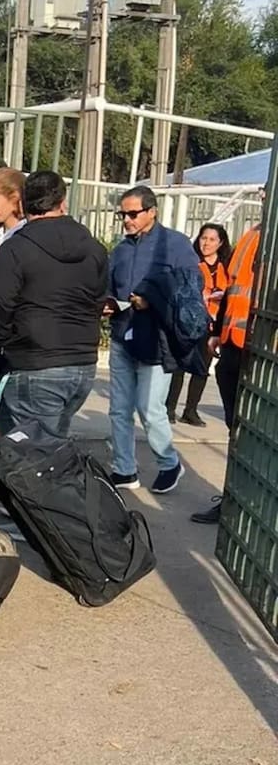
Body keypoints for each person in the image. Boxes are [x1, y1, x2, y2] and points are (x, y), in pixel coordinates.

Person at [0, 170, 107, 438]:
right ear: (62, 202)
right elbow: (98, 301)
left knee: (34, 451)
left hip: (35, 360)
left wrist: (8, 343)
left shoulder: (16, 248)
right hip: (82, 362)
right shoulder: (94, 248)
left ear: (22, 204)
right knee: (50, 446)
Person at [106, 185, 198, 494]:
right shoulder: (121, 250)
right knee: (119, 408)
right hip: (122, 334)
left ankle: (169, 462)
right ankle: (124, 469)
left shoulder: (175, 245)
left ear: (152, 211)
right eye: (123, 214)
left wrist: (153, 300)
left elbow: (189, 290)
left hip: (157, 339)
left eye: (133, 214)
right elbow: (109, 285)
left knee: (150, 407)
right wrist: (108, 303)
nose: (127, 220)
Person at [192, 202, 263, 524]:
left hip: (262, 351)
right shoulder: (252, 235)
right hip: (234, 346)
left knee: (256, 434)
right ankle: (236, 501)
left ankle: (251, 503)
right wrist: (218, 331)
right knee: (239, 432)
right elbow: (234, 290)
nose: (264, 196)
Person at [166, 222, 231, 427]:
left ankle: (191, 410)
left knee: (202, 368)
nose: (206, 243)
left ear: (220, 243)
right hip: (189, 321)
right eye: (204, 238)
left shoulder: (226, 267)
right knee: (179, 366)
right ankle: (169, 409)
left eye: (212, 239)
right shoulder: (191, 262)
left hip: (212, 325)